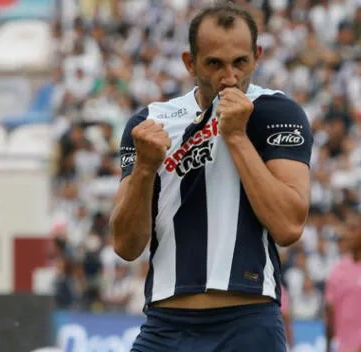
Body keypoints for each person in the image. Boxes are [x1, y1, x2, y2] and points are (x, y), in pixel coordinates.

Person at [109, 2, 313, 351]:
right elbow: (126, 246)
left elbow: (289, 226)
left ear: (258, 56)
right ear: (190, 62)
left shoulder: (278, 113)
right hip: (166, 325)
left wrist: (236, 136)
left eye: (240, 63)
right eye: (215, 64)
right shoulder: (151, 123)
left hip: (248, 323)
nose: (229, 77)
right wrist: (144, 168)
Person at [325, 209, 361, 352]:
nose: (347, 234)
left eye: (353, 229)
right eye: (346, 229)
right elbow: (330, 313)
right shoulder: (337, 270)